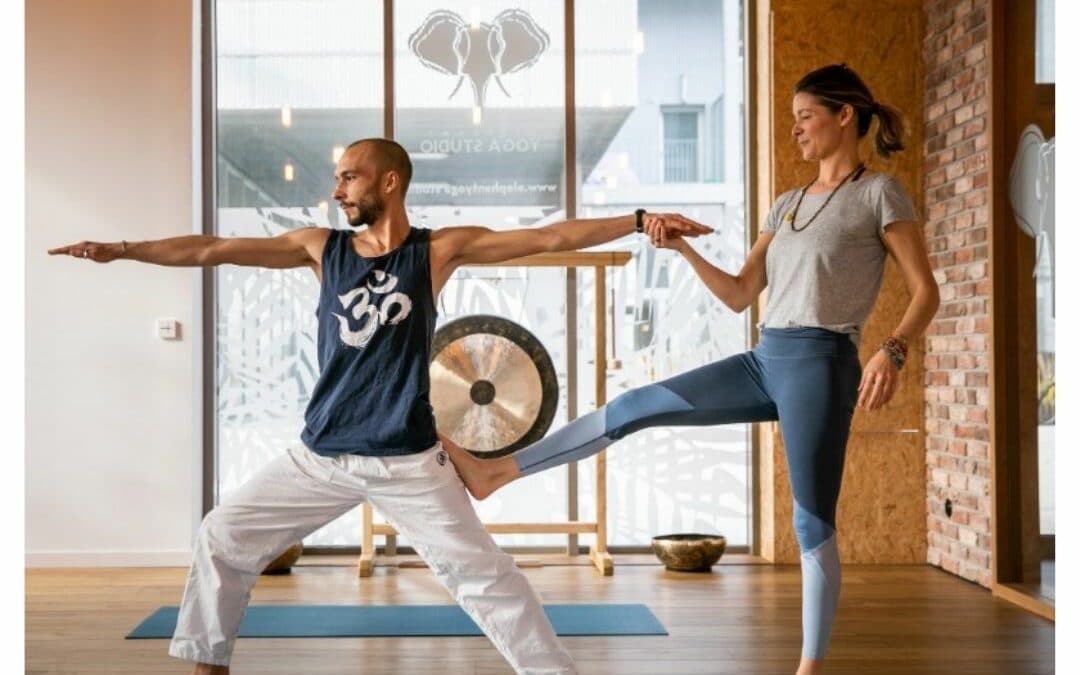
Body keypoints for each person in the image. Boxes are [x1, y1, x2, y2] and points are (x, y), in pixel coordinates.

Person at [47, 137, 711, 675]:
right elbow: (211, 249)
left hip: (408, 461)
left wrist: (633, 219)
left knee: (485, 577)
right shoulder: (320, 248)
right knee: (222, 535)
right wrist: (124, 250)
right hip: (320, 454)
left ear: (389, 182)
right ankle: (208, 667)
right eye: (337, 179)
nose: (338, 190)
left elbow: (551, 237)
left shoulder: (436, 250)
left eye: (349, 177)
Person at [443, 64, 941, 675]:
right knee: (635, 406)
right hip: (765, 358)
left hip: (822, 363)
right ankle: (498, 472)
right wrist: (678, 246)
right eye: (792, 119)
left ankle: (810, 668)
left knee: (810, 519)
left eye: (805, 117)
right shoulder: (786, 205)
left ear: (845, 116)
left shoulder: (879, 194)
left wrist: (891, 349)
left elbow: (925, 292)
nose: (795, 131)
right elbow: (737, 293)